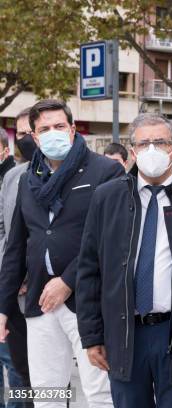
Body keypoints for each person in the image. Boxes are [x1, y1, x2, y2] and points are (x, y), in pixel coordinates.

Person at [76, 113, 172, 408]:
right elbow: (89, 270)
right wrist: (92, 334)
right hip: (124, 333)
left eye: (160, 142)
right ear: (132, 151)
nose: (152, 150)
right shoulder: (106, 198)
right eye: (143, 143)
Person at [0, 99, 123, 408]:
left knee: (100, 393)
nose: (52, 133)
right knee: (47, 393)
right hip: (40, 303)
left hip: (89, 300)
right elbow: (16, 246)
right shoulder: (29, 178)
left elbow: (111, 238)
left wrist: (68, 280)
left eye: (59, 126)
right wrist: (2, 308)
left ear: (71, 129)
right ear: (34, 137)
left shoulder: (105, 170)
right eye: (44, 129)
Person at [0, 109, 35, 406]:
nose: (26, 139)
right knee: (21, 372)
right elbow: (4, 231)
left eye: (30, 132)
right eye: (20, 134)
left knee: (51, 378)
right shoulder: (12, 177)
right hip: (14, 295)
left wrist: (28, 272)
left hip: (49, 293)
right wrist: (11, 275)